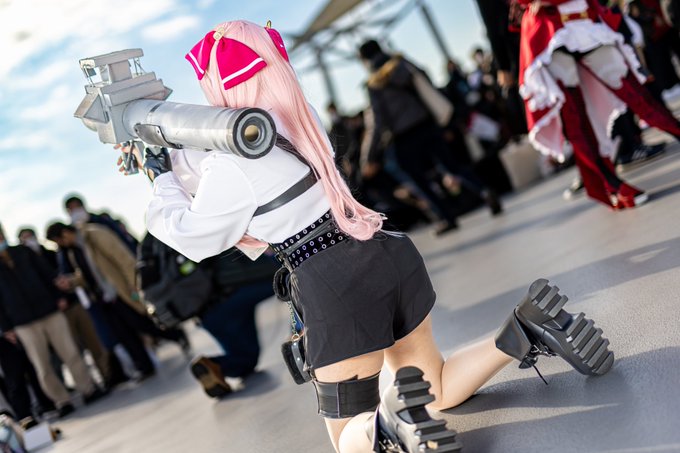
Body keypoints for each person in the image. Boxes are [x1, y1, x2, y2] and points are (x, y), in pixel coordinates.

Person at [117, 20, 614, 452]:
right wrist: (169, 156)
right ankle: (526, 329)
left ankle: (388, 423)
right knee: (435, 388)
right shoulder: (301, 119)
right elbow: (219, 171)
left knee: (347, 437)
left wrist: (157, 177)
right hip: (384, 250)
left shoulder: (232, 165)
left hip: (331, 281)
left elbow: (194, 236)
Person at [515, 0, 680, 209]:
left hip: (585, 19)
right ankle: (613, 187)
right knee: (575, 118)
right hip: (549, 30)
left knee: (636, 95)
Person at [358, 40, 502, 236]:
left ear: (365, 60)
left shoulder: (374, 82)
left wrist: (369, 157)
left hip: (403, 138)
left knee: (419, 181)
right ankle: (484, 190)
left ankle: (446, 217)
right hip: (427, 124)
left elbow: (377, 122)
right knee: (451, 166)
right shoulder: (402, 64)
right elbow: (428, 85)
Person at [138, 233, 276, 398]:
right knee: (291, 272)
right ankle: (300, 335)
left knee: (245, 358)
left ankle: (214, 366)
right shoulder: (186, 221)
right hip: (235, 285)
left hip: (205, 311)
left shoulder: (153, 239)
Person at [0, 223, 105, 417]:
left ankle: (88, 389)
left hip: (49, 311)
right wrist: (6, 327)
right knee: (42, 366)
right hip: (23, 323)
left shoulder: (23, 252)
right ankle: (62, 401)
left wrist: (59, 296)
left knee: (70, 352)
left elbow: (48, 273)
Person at [46, 222, 158, 380]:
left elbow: (122, 257)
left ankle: (176, 334)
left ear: (65, 233)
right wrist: (71, 282)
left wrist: (134, 284)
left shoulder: (94, 234)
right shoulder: (73, 251)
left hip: (121, 290)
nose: (60, 245)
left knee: (142, 323)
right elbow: (87, 274)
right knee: (124, 334)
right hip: (104, 298)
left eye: (59, 241)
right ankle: (145, 367)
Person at [63, 194, 139, 253]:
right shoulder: (73, 234)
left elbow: (122, 238)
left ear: (82, 206)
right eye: (70, 210)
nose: (74, 213)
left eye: (75, 208)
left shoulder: (102, 220)